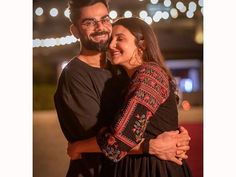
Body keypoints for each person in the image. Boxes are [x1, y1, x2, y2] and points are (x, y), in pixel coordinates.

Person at [54, 0, 191, 177]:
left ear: (141, 45)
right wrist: (152, 145)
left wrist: (178, 138)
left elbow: (152, 117)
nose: (100, 27)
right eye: (89, 22)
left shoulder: (122, 71)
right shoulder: (74, 76)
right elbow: (108, 138)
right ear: (74, 31)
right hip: (95, 171)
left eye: (104, 19)